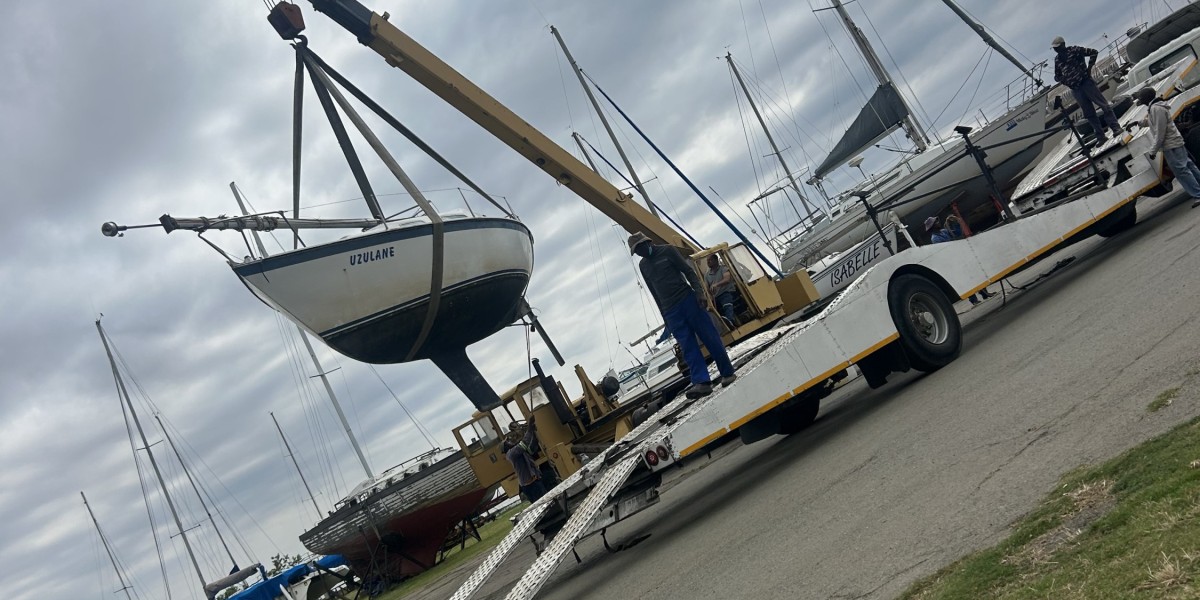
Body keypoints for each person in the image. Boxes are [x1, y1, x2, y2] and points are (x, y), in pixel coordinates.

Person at [628, 232, 736, 398]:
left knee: (709, 336)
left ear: (647, 243)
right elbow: (654, 291)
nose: (639, 253)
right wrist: (664, 316)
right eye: (636, 252)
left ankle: (727, 372)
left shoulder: (668, 250)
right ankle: (702, 382)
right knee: (687, 347)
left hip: (688, 300)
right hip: (670, 311)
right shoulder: (643, 265)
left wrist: (699, 293)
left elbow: (688, 272)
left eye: (639, 249)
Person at [1133, 86, 1200, 208]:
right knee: (1189, 166)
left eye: (1141, 98)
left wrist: (1153, 151)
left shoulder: (1156, 109)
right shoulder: (1156, 107)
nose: (1140, 100)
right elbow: (1153, 122)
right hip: (1174, 143)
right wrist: (1139, 123)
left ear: (1146, 98)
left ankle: (1198, 195)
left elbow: (1160, 133)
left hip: (1171, 145)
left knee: (1182, 171)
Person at [1052, 36, 1122, 144]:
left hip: (1086, 83)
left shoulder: (1074, 50)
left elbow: (1093, 52)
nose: (1055, 49)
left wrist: (1089, 68)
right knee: (1089, 113)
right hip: (1076, 89)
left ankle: (1115, 127)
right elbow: (1057, 76)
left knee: (1103, 105)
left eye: (1057, 47)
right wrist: (1065, 81)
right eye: (1054, 48)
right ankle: (1100, 137)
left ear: (1063, 45)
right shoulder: (1057, 60)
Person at [923, 216, 993, 306]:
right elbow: (945, 249)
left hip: (959, 255)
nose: (938, 223)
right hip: (953, 260)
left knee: (974, 273)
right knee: (966, 279)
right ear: (932, 227)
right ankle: (973, 299)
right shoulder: (935, 238)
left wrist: (954, 224)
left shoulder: (944, 231)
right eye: (935, 223)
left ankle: (984, 293)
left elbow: (957, 233)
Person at [503, 416, 547, 503]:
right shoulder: (512, 453)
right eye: (508, 441)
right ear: (506, 447)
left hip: (534, 482)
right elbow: (525, 443)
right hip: (531, 486)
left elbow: (531, 449)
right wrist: (530, 427)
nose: (511, 441)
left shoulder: (518, 451)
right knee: (543, 503)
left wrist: (533, 433)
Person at [704, 254, 739, 326]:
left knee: (726, 303)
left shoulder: (723, 268)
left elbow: (727, 279)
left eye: (710, 260)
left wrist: (716, 285)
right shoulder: (707, 275)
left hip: (727, 292)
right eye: (707, 260)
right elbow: (707, 287)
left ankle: (730, 321)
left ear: (716, 260)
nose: (708, 262)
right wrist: (710, 295)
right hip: (716, 296)